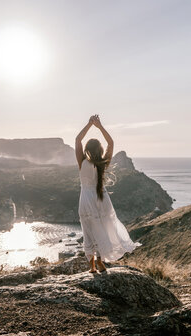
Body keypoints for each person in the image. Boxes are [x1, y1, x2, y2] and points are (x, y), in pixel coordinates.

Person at [75, 114, 141, 273]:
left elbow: (78, 140)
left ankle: (91, 266)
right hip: (101, 199)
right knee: (103, 230)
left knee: (88, 231)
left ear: (86, 150)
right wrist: (99, 126)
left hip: (85, 200)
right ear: (100, 150)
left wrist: (89, 125)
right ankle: (100, 261)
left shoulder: (82, 161)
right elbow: (111, 143)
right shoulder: (103, 163)